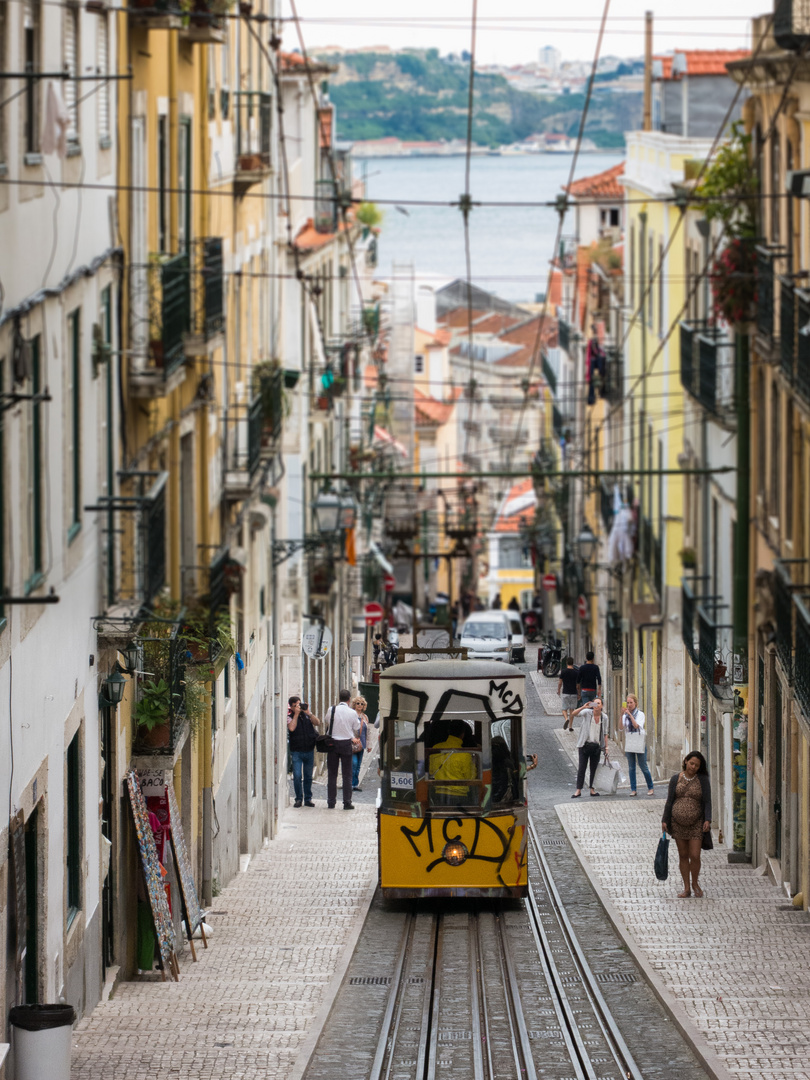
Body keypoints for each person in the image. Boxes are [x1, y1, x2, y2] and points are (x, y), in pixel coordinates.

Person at [662, 751, 712, 898]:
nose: (693, 767)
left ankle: (695, 883)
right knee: (683, 855)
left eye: (697, 765)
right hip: (677, 824)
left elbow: (708, 801)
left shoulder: (702, 780)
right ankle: (686, 888)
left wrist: (707, 819)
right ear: (685, 761)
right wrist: (665, 820)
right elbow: (669, 801)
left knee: (695, 855)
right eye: (691, 763)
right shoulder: (675, 779)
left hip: (696, 823)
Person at [325, 689, 361, 810]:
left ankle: (331, 802)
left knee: (332, 774)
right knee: (347, 774)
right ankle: (347, 802)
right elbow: (356, 727)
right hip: (346, 743)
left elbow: (327, 722)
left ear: (338, 698)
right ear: (349, 699)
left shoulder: (332, 709)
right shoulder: (352, 713)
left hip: (332, 744)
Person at [430, 718, 477, 806]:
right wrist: (474, 764)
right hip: (459, 796)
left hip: (438, 794)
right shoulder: (465, 754)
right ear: (463, 734)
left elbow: (431, 771)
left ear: (448, 731)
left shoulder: (436, 748)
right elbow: (470, 777)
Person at [571, 696, 608, 798]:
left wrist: (606, 748)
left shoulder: (604, 718)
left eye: (598, 703)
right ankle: (578, 790)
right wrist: (583, 707)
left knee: (594, 769)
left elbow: (605, 733)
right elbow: (573, 714)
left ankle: (592, 789)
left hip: (596, 747)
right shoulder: (587, 713)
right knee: (582, 768)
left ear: (602, 706)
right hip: (584, 745)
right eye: (595, 703)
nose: (596, 706)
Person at [287, 696, 320, 807]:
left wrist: (309, 713)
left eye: (299, 704)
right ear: (291, 707)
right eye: (296, 705)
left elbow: (317, 722)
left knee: (308, 776)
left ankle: (308, 798)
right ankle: (298, 798)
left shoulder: (306, 715)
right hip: (297, 751)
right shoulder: (289, 717)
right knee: (297, 776)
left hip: (309, 750)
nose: (299, 707)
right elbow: (291, 728)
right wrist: (296, 714)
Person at [621, 692, 654, 796]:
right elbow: (621, 727)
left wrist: (630, 715)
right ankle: (633, 789)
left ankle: (650, 787)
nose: (629, 705)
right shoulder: (624, 716)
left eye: (631, 702)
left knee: (643, 766)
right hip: (630, 741)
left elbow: (636, 726)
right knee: (631, 767)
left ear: (635, 703)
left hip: (639, 741)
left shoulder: (640, 714)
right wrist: (621, 715)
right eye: (628, 703)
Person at [351, 696, 369, 792]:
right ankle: (350, 783)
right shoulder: (351, 715)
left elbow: (368, 732)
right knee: (353, 763)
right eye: (358, 703)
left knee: (358, 766)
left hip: (361, 744)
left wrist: (369, 745)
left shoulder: (365, 717)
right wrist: (352, 738)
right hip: (352, 743)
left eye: (362, 704)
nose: (360, 705)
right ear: (354, 704)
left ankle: (355, 784)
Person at [557, 656, 580, 731]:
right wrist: (579, 694)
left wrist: (558, 690)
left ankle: (566, 718)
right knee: (572, 710)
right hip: (573, 693)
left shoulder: (563, 672)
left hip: (565, 692)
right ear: (573, 663)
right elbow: (578, 685)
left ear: (567, 663)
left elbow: (560, 683)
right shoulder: (576, 672)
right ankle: (570, 726)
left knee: (564, 709)